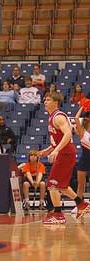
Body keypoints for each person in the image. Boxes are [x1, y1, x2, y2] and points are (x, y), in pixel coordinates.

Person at [37, 92, 90, 224]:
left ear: (55, 102)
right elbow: (57, 139)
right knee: (62, 186)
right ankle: (81, 203)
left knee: (52, 185)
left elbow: (67, 135)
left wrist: (56, 150)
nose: (45, 101)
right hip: (65, 153)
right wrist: (48, 149)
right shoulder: (51, 117)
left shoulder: (58, 117)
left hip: (66, 154)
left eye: (48, 100)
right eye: (45, 99)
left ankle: (58, 214)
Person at [72, 106, 90, 215]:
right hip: (83, 162)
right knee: (80, 186)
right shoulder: (83, 133)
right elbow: (76, 118)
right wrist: (82, 106)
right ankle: (78, 206)